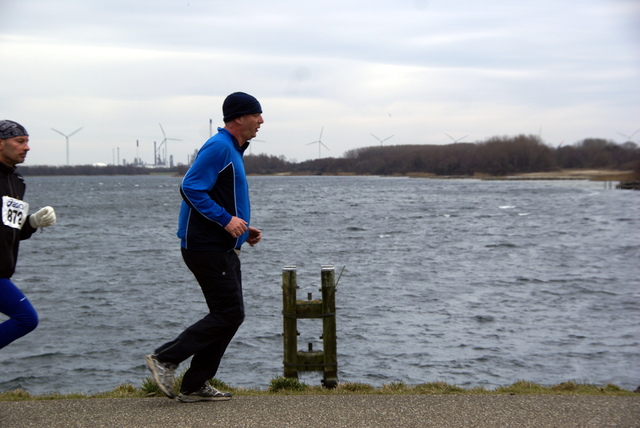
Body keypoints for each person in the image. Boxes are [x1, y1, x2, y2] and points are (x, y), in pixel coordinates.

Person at [146, 92, 263, 403]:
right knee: (228, 313)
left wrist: (241, 230)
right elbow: (190, 187)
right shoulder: (219, 147)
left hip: (222, 244)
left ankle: (195, 383)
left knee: (229, 314)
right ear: (239, 118)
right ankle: (165, 359)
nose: (262, 121)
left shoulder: (232, 150)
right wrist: (226, 221)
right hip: (205, 245)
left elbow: (219, 194)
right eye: (257, 115)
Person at [0, 120, 56, 350]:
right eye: (20, 141)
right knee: (26, 318)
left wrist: (32, 222)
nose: (27, 147)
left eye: (27, 142)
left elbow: (9, 229)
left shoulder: (17, 182)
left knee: (26, 319)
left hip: (3, 272)